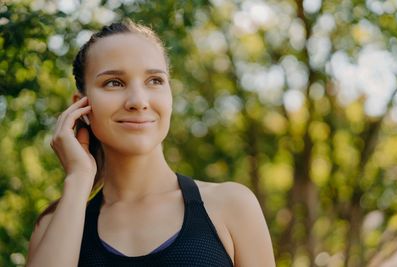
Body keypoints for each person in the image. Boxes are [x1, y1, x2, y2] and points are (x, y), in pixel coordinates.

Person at [26, 19, 275, 266]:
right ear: (82, 107)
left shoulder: (232, 205)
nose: (139, 100)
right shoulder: (53, 227)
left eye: (154, 81)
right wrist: (78, 178)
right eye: (114, 82)